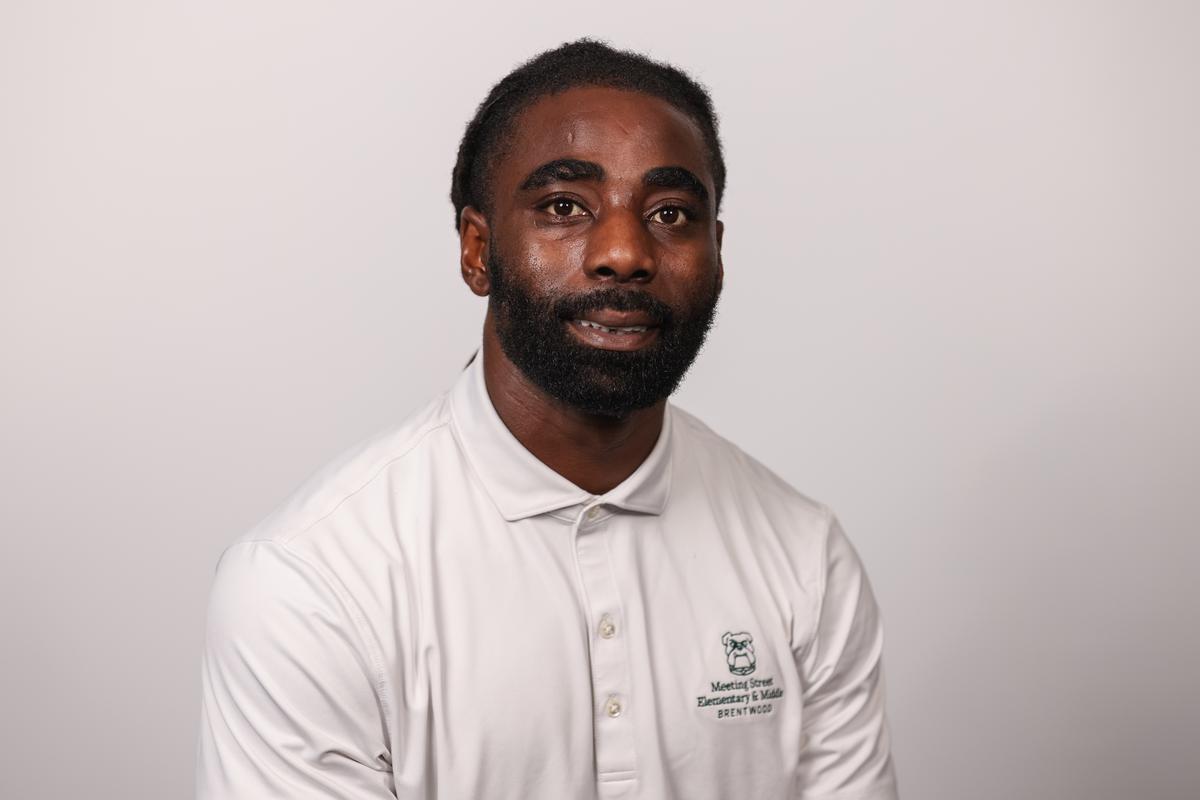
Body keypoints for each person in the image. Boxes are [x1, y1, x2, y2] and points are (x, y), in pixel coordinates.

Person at [196, 39, 900, 800]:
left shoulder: (804, 557)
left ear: (718, 254)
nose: (625, 253)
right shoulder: (313, 581)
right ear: (478, 250)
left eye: (670, 213)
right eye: (565, 207)